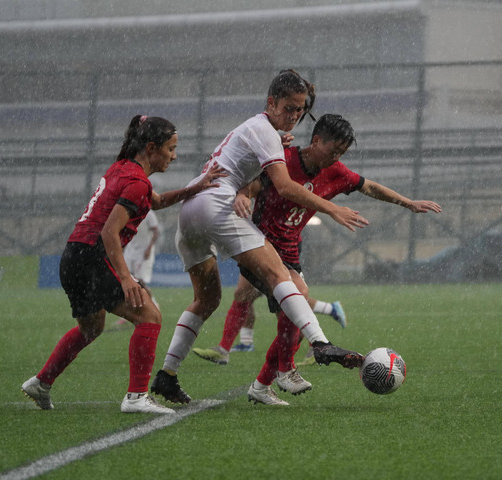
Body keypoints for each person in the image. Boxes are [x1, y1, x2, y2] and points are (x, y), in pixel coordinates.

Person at [150, 70, 369, 407]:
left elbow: (251, 165)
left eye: (299, 110)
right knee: (280, 274)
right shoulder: (265, 129)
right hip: (215, 204)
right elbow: (284, 186)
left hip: (191, 209)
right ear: (271, 103)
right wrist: (331, 209)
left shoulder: (261, 130)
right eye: (288, 108)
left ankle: (167, 375)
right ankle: (320, 343)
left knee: (206, 300)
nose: (294, 116)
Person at [204, 113, 441, 405]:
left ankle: (261, 386)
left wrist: (408, 203)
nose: (336, 157)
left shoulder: (337, 172)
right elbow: (254, 183)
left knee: (297, 322)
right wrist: (243, 194)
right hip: (260, 247)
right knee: (298, 301)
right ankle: (283, 369)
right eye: (333, 150)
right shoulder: (285, 159)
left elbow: (369, 187)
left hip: (290, 252)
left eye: (342, 153)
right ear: (316, 141)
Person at [21, 115, 226, 414]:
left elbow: (155, 202)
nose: (174, 154)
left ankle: (42, 382)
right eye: (170, 148)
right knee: (150, 316)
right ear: (152, 147)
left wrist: (194, 189)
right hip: (92, 257)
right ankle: (136, 397)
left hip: (73, 255)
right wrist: (126, 277)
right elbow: (108, 232)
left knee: (91, 327)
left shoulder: (123, 169)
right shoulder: (136, 181)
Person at [192, 255, 346, 364]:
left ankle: (314, 344)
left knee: (290, 300)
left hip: (279, 245)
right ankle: (234, 347)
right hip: (262, 241)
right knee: (245, 294)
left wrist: (333, 210)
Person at [114, 209, 161, 327]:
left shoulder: (149, 213)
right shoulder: (128, 211)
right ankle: (129, 312)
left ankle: (153, 305)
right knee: (125, 280)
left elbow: (156, 231)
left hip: (143, 251)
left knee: (140, 282)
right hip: (131, 250)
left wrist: (149, 248)